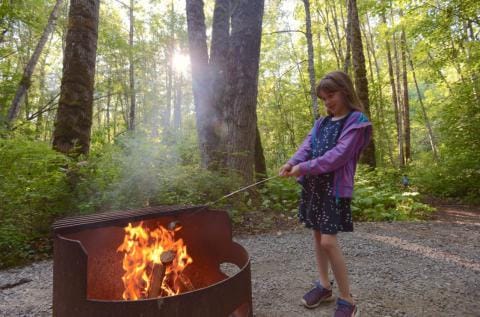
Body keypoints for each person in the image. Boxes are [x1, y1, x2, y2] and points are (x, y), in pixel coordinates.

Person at [279, 71, 372, 317]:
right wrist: (291, 163)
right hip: (314, 188)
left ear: (345, 91)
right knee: (317, 237)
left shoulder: (356, 121)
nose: (328, 102)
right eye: (323, 98)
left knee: (329, 242)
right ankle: (324, 285)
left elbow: (338, 156)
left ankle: (348, 299)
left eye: (331, 95)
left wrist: (304, 167)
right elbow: (306, 147)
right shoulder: (321, 123)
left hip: (334, 190)